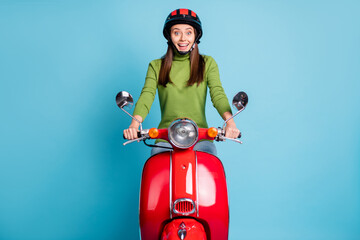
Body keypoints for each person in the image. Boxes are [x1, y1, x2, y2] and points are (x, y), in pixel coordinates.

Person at [123, 8, 240, 156]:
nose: (183, 38)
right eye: (177, 32)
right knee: (155, 166)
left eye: (188, 32)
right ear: (169, 36)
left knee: (210, 169)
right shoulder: (156, 66)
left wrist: (230, 123)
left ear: (196, 36)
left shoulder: (207, 63)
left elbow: (218, 95)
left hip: (201, 137)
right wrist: (134, 125)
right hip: (166, 138)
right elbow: (147, 96)